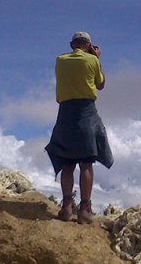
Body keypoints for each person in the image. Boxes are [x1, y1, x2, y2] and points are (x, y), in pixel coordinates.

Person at [45, 31, 114, 224]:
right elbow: (100, 85)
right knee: (86, 162)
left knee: (67, 162)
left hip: (65, 114)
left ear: (71, 44)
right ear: (89, 45)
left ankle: (67, 206)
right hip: (86, 113)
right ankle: (85, 209)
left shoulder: (60, 60)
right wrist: (97, 59)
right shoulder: (92, 60)